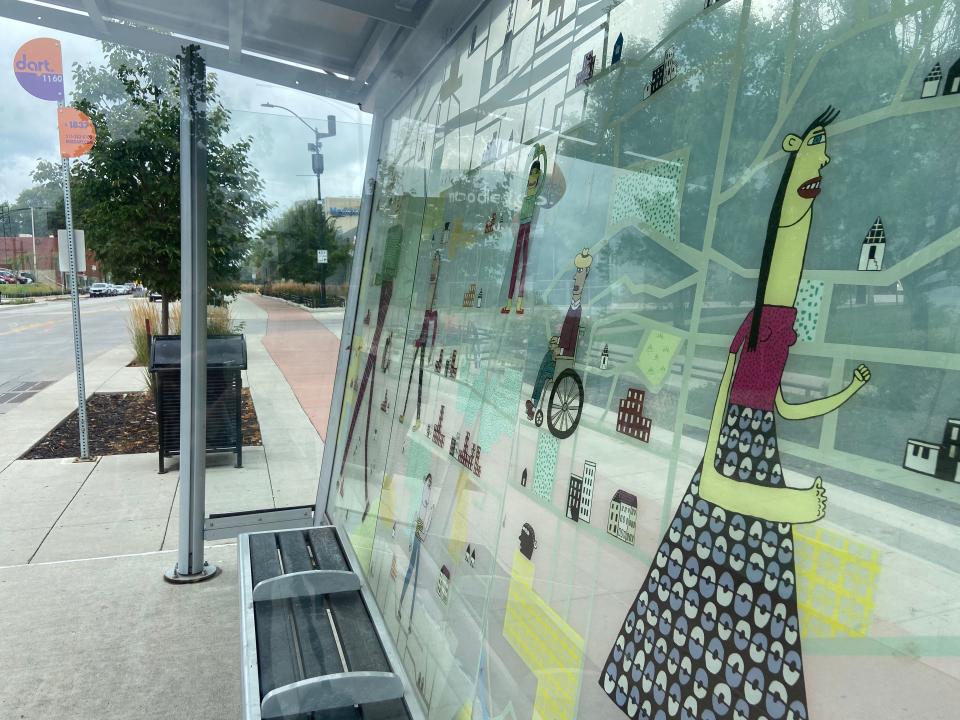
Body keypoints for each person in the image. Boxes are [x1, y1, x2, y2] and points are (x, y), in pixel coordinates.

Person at [599, 107, 873, 720]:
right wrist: (790, 506)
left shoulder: (772, 328)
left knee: (742, 623)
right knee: (711, 617)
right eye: (816, 148)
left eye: (826, 151)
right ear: (796, 146)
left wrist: (847, 394)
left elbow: (783, 408)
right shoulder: (753, 335)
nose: (824, 161)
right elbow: (720, 480)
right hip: (749, 484)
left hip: (760, 475)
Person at [339, 218, 404, 521]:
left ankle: (362, 490)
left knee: (366, 417)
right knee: (361, 416)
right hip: (376, 337)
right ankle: (353, 485)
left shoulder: (395, 232)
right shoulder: (391, 233)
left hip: (380, 333)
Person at [501, 143, 547, 315]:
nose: (532, 178)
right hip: (522, 227)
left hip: (528, 228)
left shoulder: (535, 194)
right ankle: (508, 302)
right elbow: (526, 169)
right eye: (531, 175)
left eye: (535, 175)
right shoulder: (525, 192)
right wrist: (534, 155)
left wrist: (543, 156)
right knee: (515, 265)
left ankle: (519, 304)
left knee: (524, 266)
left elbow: (541, 179)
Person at [399, 251, 441, 429]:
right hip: (423, 332)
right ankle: (411, 415)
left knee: (420, 377)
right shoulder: (427, 288)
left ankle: (417, 417)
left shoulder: (434, 290)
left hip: (426, 333)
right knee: (414, 376)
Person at [397, 473, 434, 631]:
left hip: (419, 538)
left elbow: (423, 524)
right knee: (411, 574)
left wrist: (420, 534)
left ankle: (408, 616)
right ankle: (401, 607)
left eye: (429, 484)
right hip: (417, 538)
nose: (428, 485)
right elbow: (416, 521)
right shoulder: (422, 504)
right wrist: (415, 539)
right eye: (427, 483)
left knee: (413, 575)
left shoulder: (427, 506)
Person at [557, 248, 593, 358]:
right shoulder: (571, 307)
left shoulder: (581, 310)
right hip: (564, 352)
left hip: (571, 353)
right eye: (577, 271)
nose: (574, 277)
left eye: (580, 271)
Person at [526, 336, 560, 420]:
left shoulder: (556, 351)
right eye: (550, 343)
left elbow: (556, 360)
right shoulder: (550, 352)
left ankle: (534, 406)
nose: (551, 344)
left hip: (550, 371)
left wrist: (555, 354)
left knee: (541, 380)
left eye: (553, 343)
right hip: (545, 370)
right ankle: (533, 403)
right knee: (538, 380)